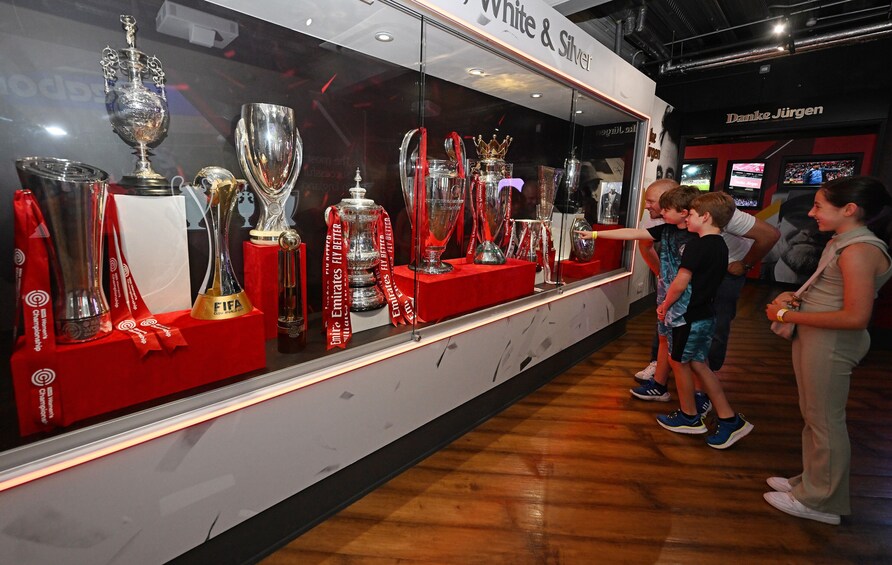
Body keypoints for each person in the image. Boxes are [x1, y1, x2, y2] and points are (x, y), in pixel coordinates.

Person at [764, 176, 892, 525]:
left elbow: (855, 316)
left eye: (819, 206)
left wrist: (787, 313)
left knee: (824, 420)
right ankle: (812, 482)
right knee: (814, 414)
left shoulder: (860, 251)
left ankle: (822, 501)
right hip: (817, 337)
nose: (811, 212)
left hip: (831, 342)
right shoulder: (844, 242)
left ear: (849, 210)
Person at [634, 180, 780, 380]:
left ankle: (706, 378)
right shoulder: (654, 217)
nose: (646, 206)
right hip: (688, 272)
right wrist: (662, 274)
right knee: (668, 317)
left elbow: (770, 234)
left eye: (651, 201)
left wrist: (745, 264)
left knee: (715, 322)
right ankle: (661, 367)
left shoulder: (714, 209)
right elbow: (645, 246)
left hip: (726, 270)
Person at [654, 191, 753, 448]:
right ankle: (729, 419)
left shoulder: (697, 245)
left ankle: (689, 416)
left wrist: (665, 305)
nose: (688, 218)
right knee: (698, 364)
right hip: (705, 314)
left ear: (705, 216)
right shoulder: (720, 244)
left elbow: (680, 283)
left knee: (679, 362)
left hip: (688, 315)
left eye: (693, 215)